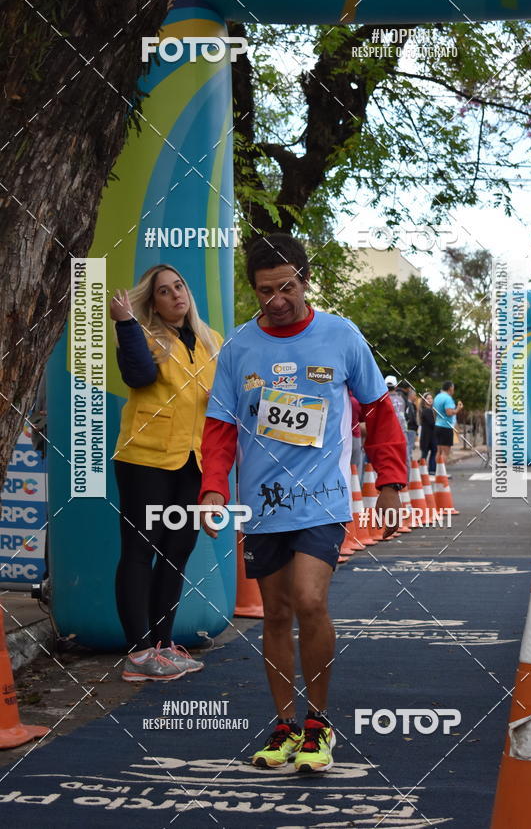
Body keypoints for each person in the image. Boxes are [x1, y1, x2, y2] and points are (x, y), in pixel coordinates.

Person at [199, 233, 407, 773]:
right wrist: (214, 486)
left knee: (310, 601)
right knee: (276, 613)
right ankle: (284, 725)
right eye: (265, 291)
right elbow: (219, 427)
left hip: (322, 498)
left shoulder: (341, 335)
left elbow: (379, 411)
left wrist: (390, 483)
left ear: (305, 280)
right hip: (263, 503)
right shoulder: (239, 346)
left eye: (286, 287)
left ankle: (318, 723)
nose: (277, 300)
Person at [110, 264, 222, 682]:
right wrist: (126, 324)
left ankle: (162, 646)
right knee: (140, 551)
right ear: (153, 303)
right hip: (145, 459)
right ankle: (139, 655)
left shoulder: (212, 341)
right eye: (164, 291)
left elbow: (229, 396)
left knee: (177, 552)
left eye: (179, 286)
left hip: (192, 461)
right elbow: (139, 376)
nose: (176, 295)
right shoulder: (141, 335)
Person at [433, 381, 463, 463]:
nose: (454, 390)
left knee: (439, 452)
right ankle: (442, 470)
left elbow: (434, 412)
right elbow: (449, 412)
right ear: (450, 388)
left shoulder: (437, 397)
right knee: (445, 453)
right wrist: (458, 409)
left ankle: (437, 470)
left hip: (437, 425)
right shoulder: (448, 398)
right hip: (446, 427)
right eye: (453, 388)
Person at [418, 391, 437, 475]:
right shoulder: (427, 411)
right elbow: (432, 423)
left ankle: (425, 470)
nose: (430, 400)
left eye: (431, 398)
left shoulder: (430, 410)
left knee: (427, 453)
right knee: (430, 453)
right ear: (424, 400)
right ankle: (431, 470)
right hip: (428, 436)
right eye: (427, 398)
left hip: (429, 436)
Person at [385, 375, 408, 439]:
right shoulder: (402, 398)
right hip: (403, 431)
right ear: (396, 386)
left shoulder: (383, 400)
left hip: (390, 433)